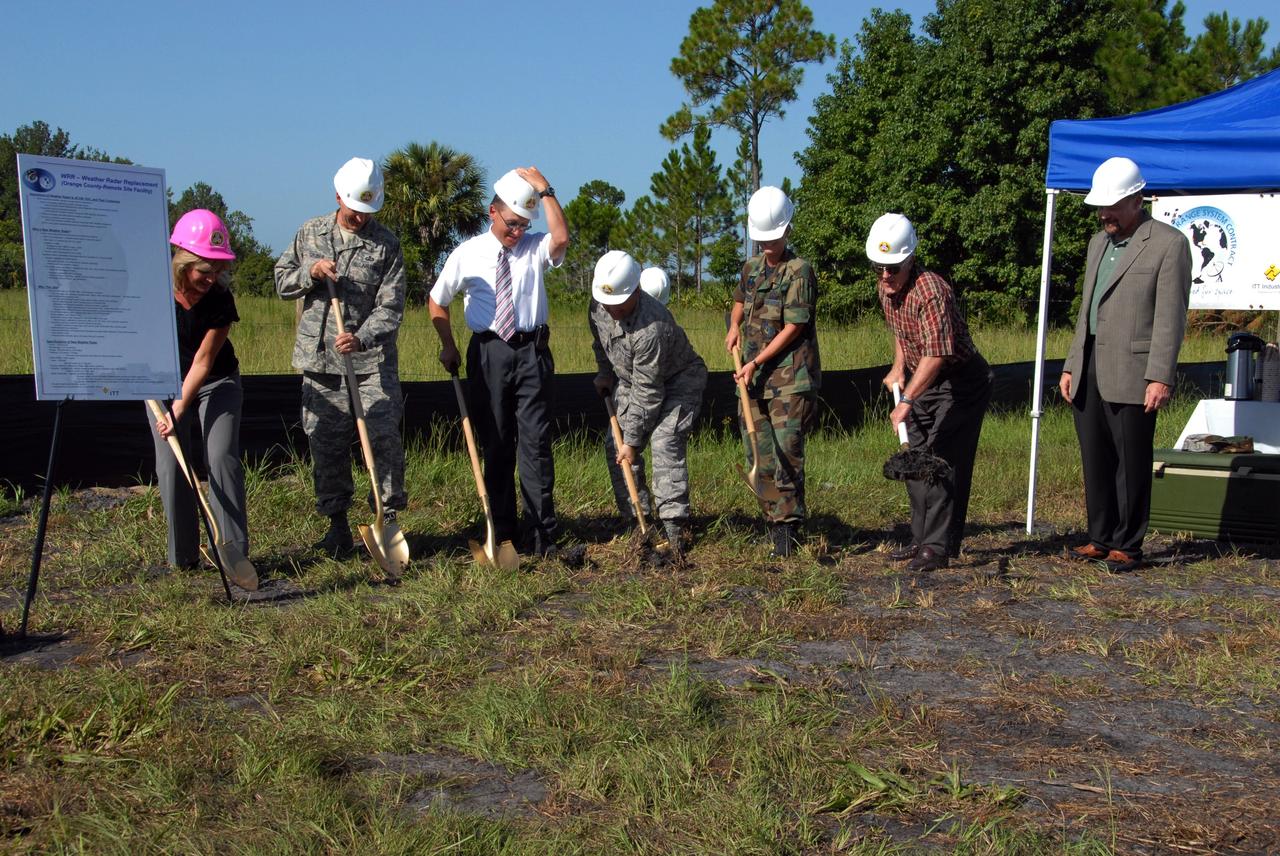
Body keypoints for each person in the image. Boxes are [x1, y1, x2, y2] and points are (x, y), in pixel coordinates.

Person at [1059, 157, 1191, 573]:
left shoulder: (1169, 244)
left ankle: (1128, 544)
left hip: (1135, 370)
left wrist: (1160, 375)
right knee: (1094, 455)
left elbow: (1172, 317)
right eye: (1100, 207)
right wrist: (1070, 364)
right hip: (1090, 363)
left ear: (1137, 199)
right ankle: (1099, 536)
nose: (1104, 215)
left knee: (1130, 459)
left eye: (1112, 206)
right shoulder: (1098, 243)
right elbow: (1087, 310)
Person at [429, 167, 569, 556]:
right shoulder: (467, 253)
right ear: (492, 212)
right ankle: (503, 532)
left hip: (532, 352)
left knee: (536, 444)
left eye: (524, 225)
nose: (518, 232)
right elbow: (437, 300)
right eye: (512, 224)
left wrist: (545, 189)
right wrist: (447, 345)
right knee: (497, 441)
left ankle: (541, 534)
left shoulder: (535, 247)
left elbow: (560, 237)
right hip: (489, 353)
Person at [274, 157, 407, 557]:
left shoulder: (387, 244)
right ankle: (337, 527)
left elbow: (392, 306)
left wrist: (362, 337)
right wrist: (309, 273)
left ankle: (388, 519)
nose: (361, 219)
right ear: (337, 198)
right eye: (354, 211)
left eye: (368, 212)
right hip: (321, 363)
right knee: (326, 444)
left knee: (383, 443)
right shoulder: (310, 232)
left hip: (371, 364)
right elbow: (281, 280)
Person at [869, 213, 993, 573]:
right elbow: (901, 331)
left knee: (939, 459)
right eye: (879, 268)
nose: (885, 276)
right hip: (922, 378)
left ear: (909, 260)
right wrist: (897, 368)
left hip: (960, 380)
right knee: (915, 458)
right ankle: (920, 538)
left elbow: (937, 354)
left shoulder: (932, 291)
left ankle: (938, 548)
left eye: (892, 268)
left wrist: (906, 400)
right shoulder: (886, 287)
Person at [148, 209, 249, 574]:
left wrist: (178, 409)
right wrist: (170, 409)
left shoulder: (221, 299)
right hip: (162, 381)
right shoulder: (154, 291)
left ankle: (233, 554)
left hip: (217, 381)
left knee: (221, 456)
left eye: (219, 270)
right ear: (183, 262)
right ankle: (183, 559)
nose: (213, 277)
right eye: (205, 270)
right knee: (171, 463)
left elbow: (204, 363)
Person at [725, 186, 821, 557]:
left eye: (774, 238)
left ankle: (788, 529)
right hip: (750, 379)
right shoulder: (750, 269)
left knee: (786, 452)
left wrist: (756, 361)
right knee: (757, 452)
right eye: (761, 240)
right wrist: (733, 327)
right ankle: (770, 521)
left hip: (788, 378)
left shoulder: (799, 271)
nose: (767, 246)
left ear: (787, 231)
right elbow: (738, 301)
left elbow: (794, 327)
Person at [589, 251, 707, 550]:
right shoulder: (598, 305)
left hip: (679, 379)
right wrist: (605, 373)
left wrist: (632, 440)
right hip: (631, 378)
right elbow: (601, 342)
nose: (611, 309)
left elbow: (648, 391)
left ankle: (674, 527)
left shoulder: (652, 327)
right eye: (607, 303)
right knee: (615, 448)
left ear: (636, 292)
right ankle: (637, 520)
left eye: (618, 303)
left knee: (663, 440)